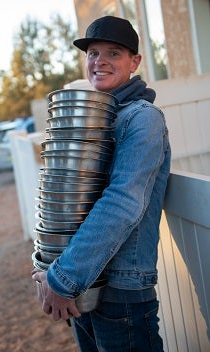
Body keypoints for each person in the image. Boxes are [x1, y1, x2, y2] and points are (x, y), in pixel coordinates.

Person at [32, 16, 171, 352]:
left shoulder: (142, 118)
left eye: (114, 53)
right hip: (84, 286)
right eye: (93, 53)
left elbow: (123, 203)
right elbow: (65, 197)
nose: (100, 61)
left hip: (120, 293)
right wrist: (50, 266)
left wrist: (63, 277)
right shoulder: (98, 115)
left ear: (134, 62)